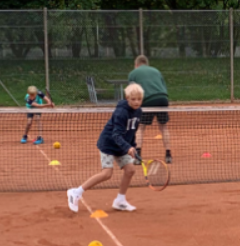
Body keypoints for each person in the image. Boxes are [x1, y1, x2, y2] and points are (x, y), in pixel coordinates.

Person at [67, 83, 143, 213]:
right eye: (133, 99)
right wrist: (127, 147)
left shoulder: (138, 112)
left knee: (130, 170)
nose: (136, 102)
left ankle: (120, 201)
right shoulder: (121, 112)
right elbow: (116, 134)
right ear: (127, 98)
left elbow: (132, 131)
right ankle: (76, 192)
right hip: (108, 143)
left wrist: (133, 146)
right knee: (107, 173)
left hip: (122, 144)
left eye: (139, 99)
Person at [127, 55, 172, 164]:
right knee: (163, 127)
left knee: (141, 127)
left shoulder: (133, 73)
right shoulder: (156, 71)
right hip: (163, 98)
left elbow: (133, 92)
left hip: (148, 100)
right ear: (146, 64)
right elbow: (163, 87)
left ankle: (137, 156)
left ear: (136, 65)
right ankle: (168, 154)